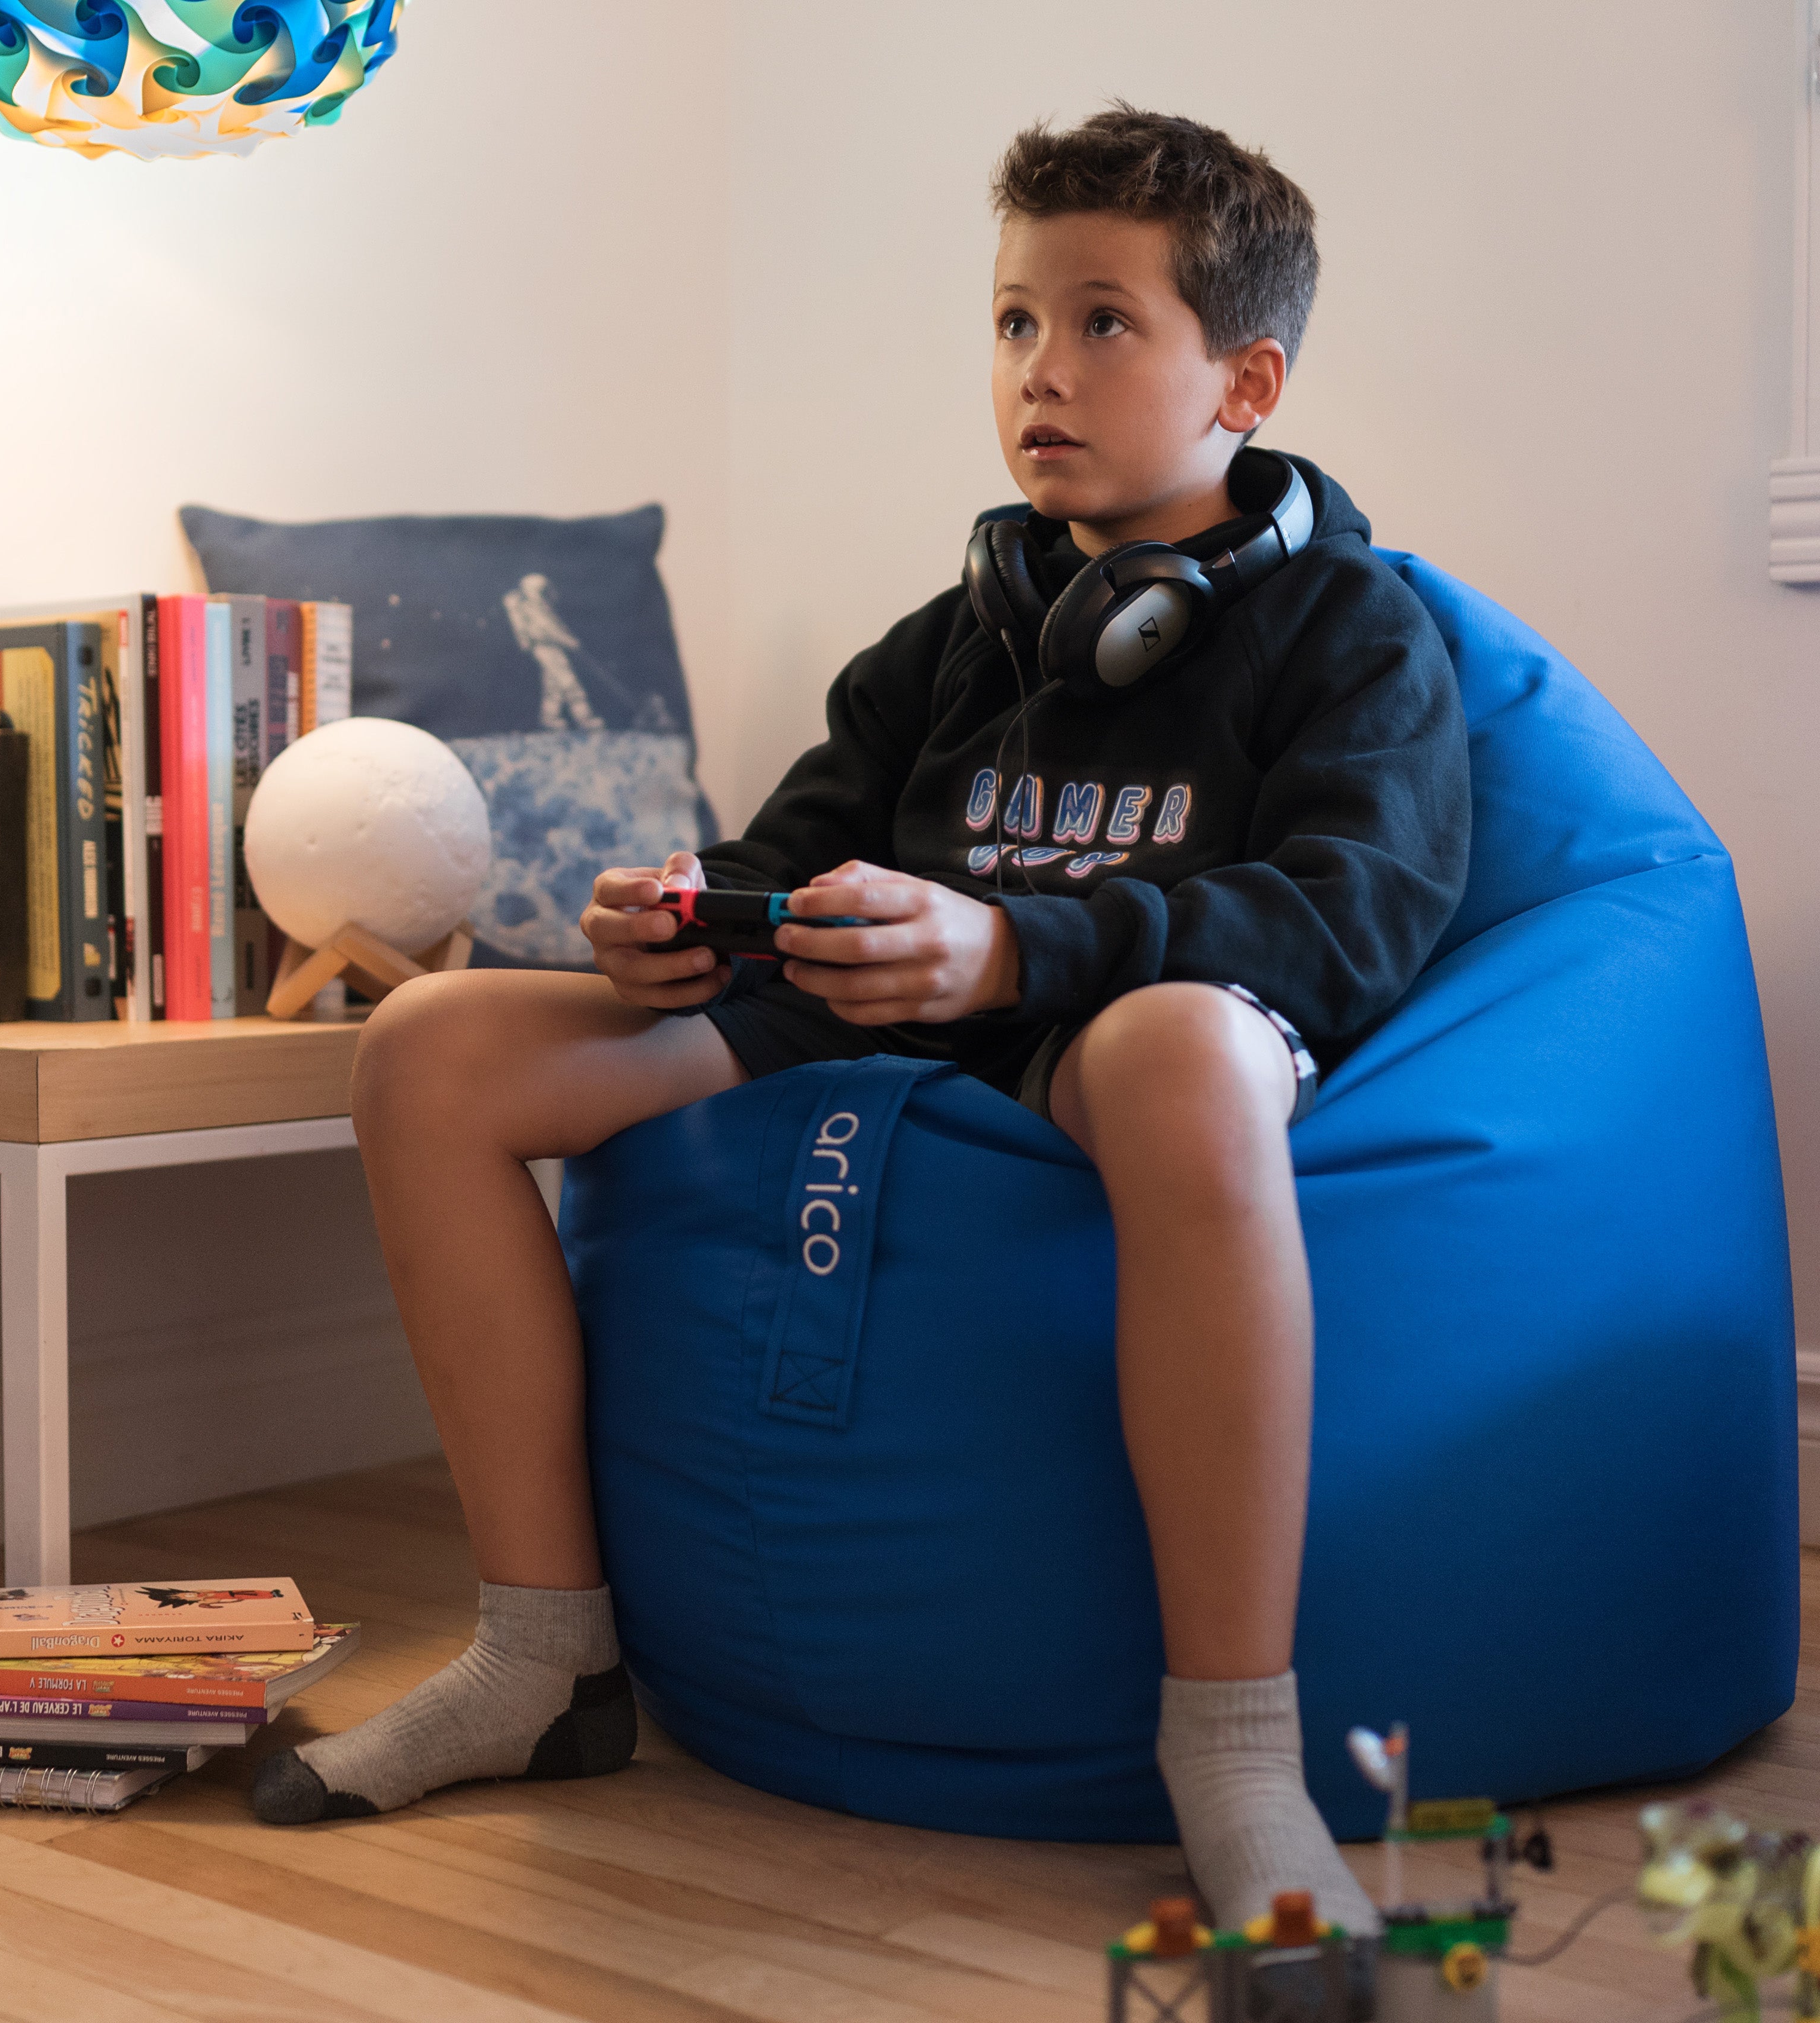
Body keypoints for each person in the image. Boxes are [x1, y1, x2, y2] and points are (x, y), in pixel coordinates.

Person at [252, 105, 1470, 1939]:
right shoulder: (958, 634)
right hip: (872, 1019)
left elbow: (1349, 916)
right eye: (1014, 322)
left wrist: (1018, 955)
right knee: (428, 1049)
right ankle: (543, 1659)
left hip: (1102, 1035)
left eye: (1105, 322)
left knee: (1186, 1046)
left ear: (1247, 380)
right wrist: (681, 923)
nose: (1040, 369)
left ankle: (1234, 1749)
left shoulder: (1351, 628)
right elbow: (795, 856)